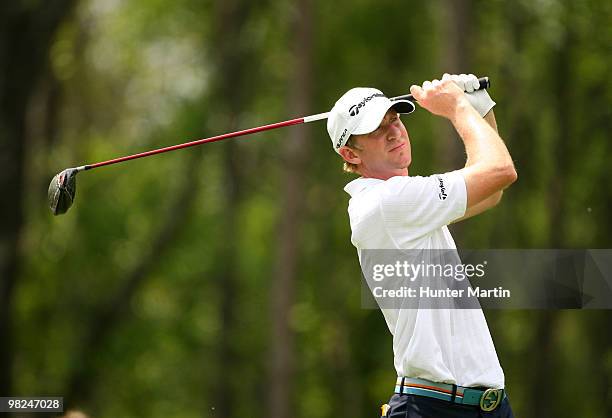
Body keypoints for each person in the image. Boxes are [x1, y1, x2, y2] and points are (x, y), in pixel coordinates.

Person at [327, 74, 517, 418]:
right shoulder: (384, 204)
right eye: (375, 129)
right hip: (433, 408)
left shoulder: (407, 203)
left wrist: (479, 105)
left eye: (395, 118)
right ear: (350, 154)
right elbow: (500, 171)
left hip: (487, 407)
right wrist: (458, 107)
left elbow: (492, 190)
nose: (395, 131)